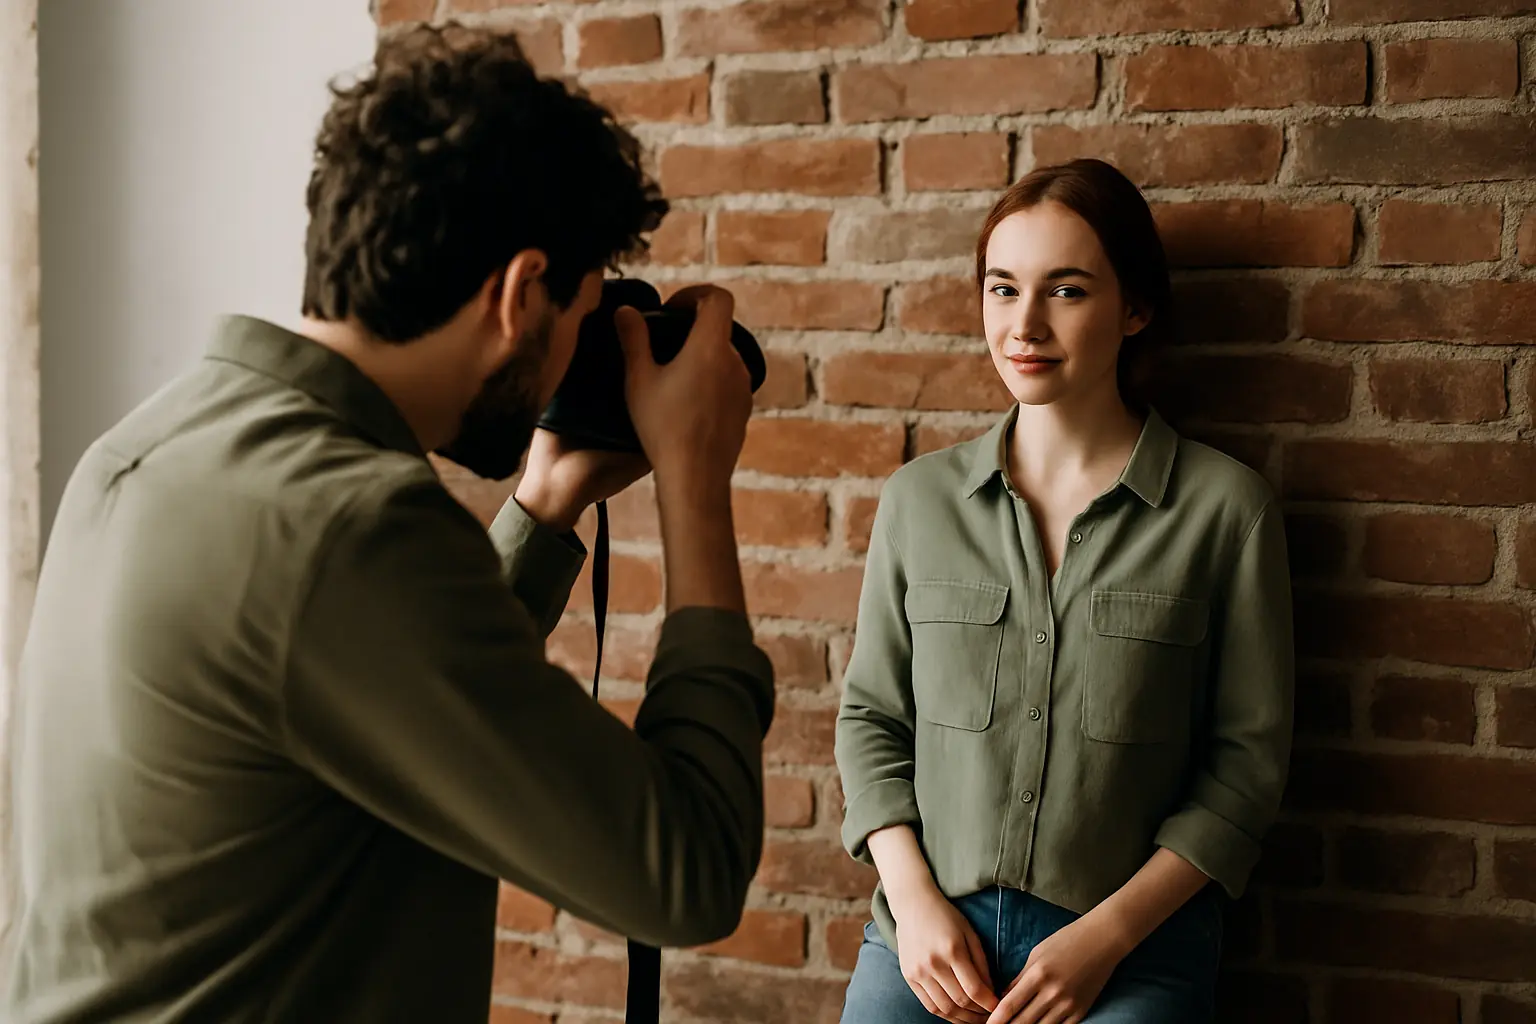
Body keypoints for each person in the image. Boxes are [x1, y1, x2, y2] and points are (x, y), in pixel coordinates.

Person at [2, 23, 775, 1024]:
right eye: (580, 317)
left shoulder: (148, 450)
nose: (574, 353)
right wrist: (694, 480)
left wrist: (544, 502)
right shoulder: (356, 528)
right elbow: (689, 873)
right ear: (517, 293)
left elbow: (377, 690)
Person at [834, 158, 1295, 1024]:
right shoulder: (918, 502)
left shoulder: (1226, 512)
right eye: (1002, 289)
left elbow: (1246, 768)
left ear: (1136, 308)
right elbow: (870, 720)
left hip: (1133, 949)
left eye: (1068, 291)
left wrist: (1106, 939)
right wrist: (915, 904)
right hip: (927, 939)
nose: (1025, 326)